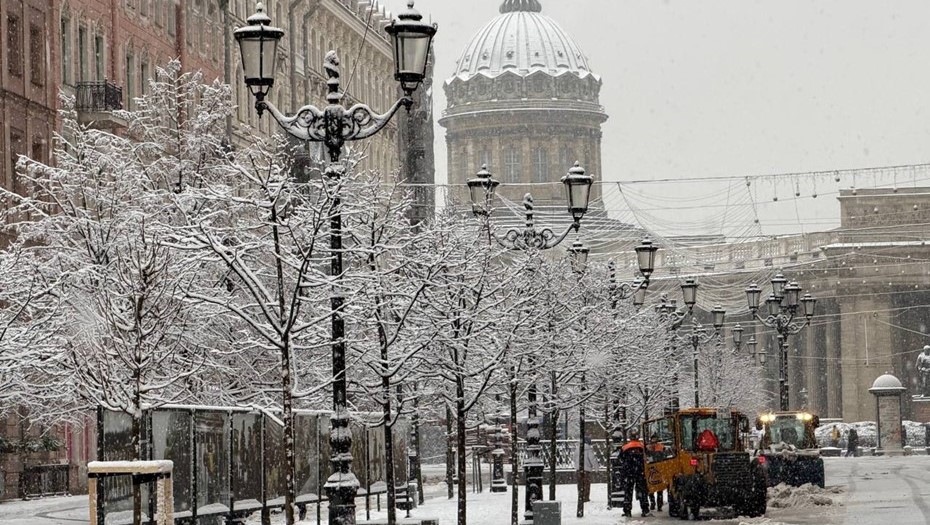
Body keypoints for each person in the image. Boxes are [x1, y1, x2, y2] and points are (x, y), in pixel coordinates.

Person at [620, 428, 650, 518]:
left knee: (628, 492)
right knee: (642, 491)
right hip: (640, 472)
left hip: (628, 473)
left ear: (630, 437)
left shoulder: (625, 447)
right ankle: (645, 509)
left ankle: (627, 510)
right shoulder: (642, 446)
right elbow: (647, 457)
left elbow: (621, 459)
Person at [646, 433, 665, 512]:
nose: (654, 440)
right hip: (652, 468)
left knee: (659, 488)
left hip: (658, 468)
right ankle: (653, 503)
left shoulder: (660, 446)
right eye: (653, 439)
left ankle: (659, 505)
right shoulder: (648, 447)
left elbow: (664, 455)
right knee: (651, 488)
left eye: (655, 438)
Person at [577, 437, 599, 503]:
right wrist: (596, 468)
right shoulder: (589, 450)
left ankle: (580, 496)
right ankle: (586, 498)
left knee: (580, 484)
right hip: (587, 470)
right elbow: (593, 460)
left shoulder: (577, 449)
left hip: (578, 469)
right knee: (586, 484)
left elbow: (574, 458)